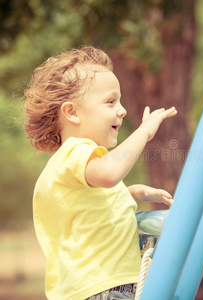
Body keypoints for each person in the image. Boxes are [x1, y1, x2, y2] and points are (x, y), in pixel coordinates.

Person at [23, 46, 177, 300]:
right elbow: (109, 173)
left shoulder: (68, 165)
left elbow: (90, 208)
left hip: (91, 288)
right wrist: (145, 132)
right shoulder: (77, 150)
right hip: (105, 287)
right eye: (110, 101)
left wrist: (132, 193)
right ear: (72, 112)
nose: (122, 109)